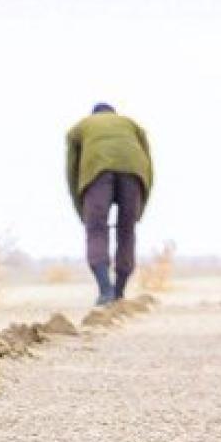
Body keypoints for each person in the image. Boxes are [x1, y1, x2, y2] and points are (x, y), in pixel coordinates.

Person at [65, 103, 154, 305]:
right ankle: (119, 291)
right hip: (134, 173)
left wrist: (83, 212)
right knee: (127, 230)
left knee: (96, 229)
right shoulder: (132, 125)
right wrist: (140, 208)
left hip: (97, 174)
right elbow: (149, 167)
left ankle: (106, 291)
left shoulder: (79, 128)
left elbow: (71, 172)